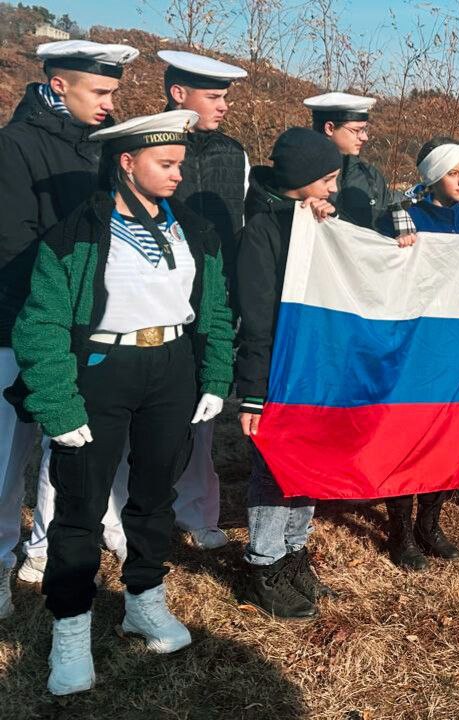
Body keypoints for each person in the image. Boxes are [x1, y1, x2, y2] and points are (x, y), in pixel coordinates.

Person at [12, 109, 235, 695]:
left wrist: (213, 377)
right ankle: (71, 626)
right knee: (80, 506)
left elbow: (211, 306)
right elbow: (42, 324)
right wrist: (59, 405)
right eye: (165, 165)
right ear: (126, 163)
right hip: (102, 372)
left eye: (180, 165)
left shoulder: (194, 230)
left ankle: (143, 599)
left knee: (154, 495)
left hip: (171, 371)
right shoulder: (77, 234)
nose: (177, 176)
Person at [0, 40, 138, 599]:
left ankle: (48, 546)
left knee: (72, 443)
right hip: (16, 327)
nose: (109, 102)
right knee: (8, 458)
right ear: (59, 84)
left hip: (83, 325)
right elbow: (13, 245)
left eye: (113, 92)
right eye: (100, 91)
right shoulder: (15, 147)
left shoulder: (103, 146)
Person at [379, 139, 459, 560]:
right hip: (417, 346)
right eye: (452, 174)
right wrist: (395, 248)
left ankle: (429, 524)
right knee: (409, 436)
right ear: (433, 177)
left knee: (447, 436)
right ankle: (399, 532)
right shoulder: (407, 219)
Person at [235, 128, 345, 620]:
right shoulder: (262, 230)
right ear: (300, 180)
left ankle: (295, 550)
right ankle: (264, 562)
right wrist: (253, 394)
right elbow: (256, 319)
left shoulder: (316, 220)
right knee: (274, 467)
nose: (334, 190)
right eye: (327, 180)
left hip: (316, 368)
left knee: (308, 461)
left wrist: (326, 227)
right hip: (279, 369)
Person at [159, 49, 249, 552]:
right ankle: (125, 509)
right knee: (142, 410)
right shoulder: (146, 143)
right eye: (213, 97)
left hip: (213, 298)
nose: (223, 106)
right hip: (157, 295)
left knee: (205, 407)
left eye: (224, 97)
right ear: (178, 94)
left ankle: (196, 510)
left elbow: (240, 225)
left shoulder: (234, 153)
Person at [304, 92, 413, 239]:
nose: (365, 137)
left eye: (364, 130)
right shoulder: (301, 175)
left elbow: (382, 225)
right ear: (329, 128)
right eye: (356, 130)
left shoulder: (370, 176)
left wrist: (402, 234)